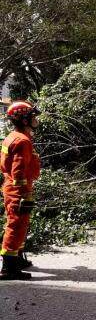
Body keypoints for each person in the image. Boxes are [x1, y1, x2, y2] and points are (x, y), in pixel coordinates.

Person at [1, 101, 41, 280]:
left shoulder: (13, 136)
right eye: (33, 116)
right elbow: (18, 171)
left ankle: (17, 258)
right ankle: (9, 268)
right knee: (16, 225)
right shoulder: (22, 141)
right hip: (18, 190)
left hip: (12, 187)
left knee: (19, 223)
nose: (35, 119)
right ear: (25, 120)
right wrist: (25, 193)